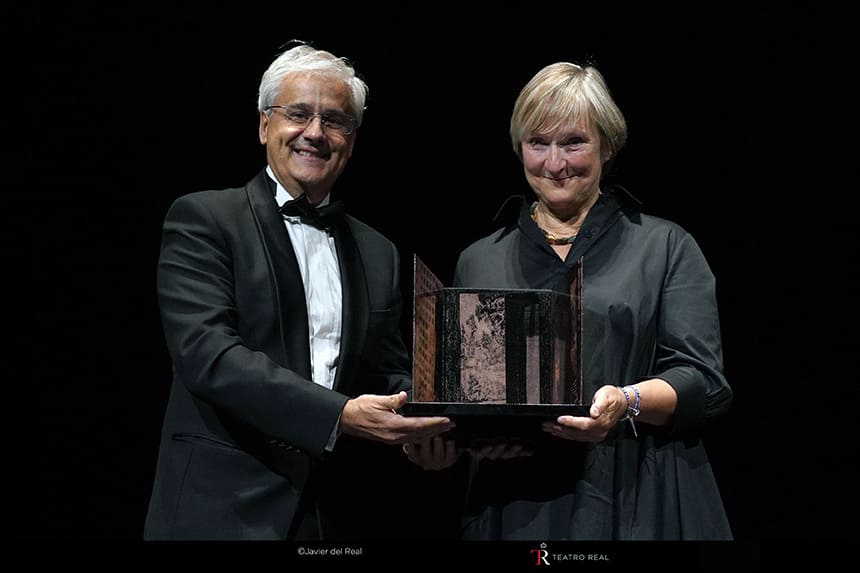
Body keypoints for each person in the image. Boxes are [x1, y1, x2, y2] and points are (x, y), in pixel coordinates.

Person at [405, 61, 733, 540]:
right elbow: (464, 398)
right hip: (514, 503)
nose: (555, 164)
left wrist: (627, 401)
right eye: (538, 143)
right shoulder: (479, 259)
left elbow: (705, 382)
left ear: (608, 145)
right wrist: (448, 444)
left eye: (574, 142)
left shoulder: (664, 246)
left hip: (635, 493)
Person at [143, 42, 454, 540]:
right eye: (298, 114)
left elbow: (385, 370)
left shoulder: (378, 250)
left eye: (335, 120)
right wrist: (340, 415)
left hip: (333, 515)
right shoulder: (204, 219)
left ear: (352, 139)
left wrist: (431, 424)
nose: (315, 132)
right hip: (220, 509)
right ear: (265, 125)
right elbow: (209, 356)